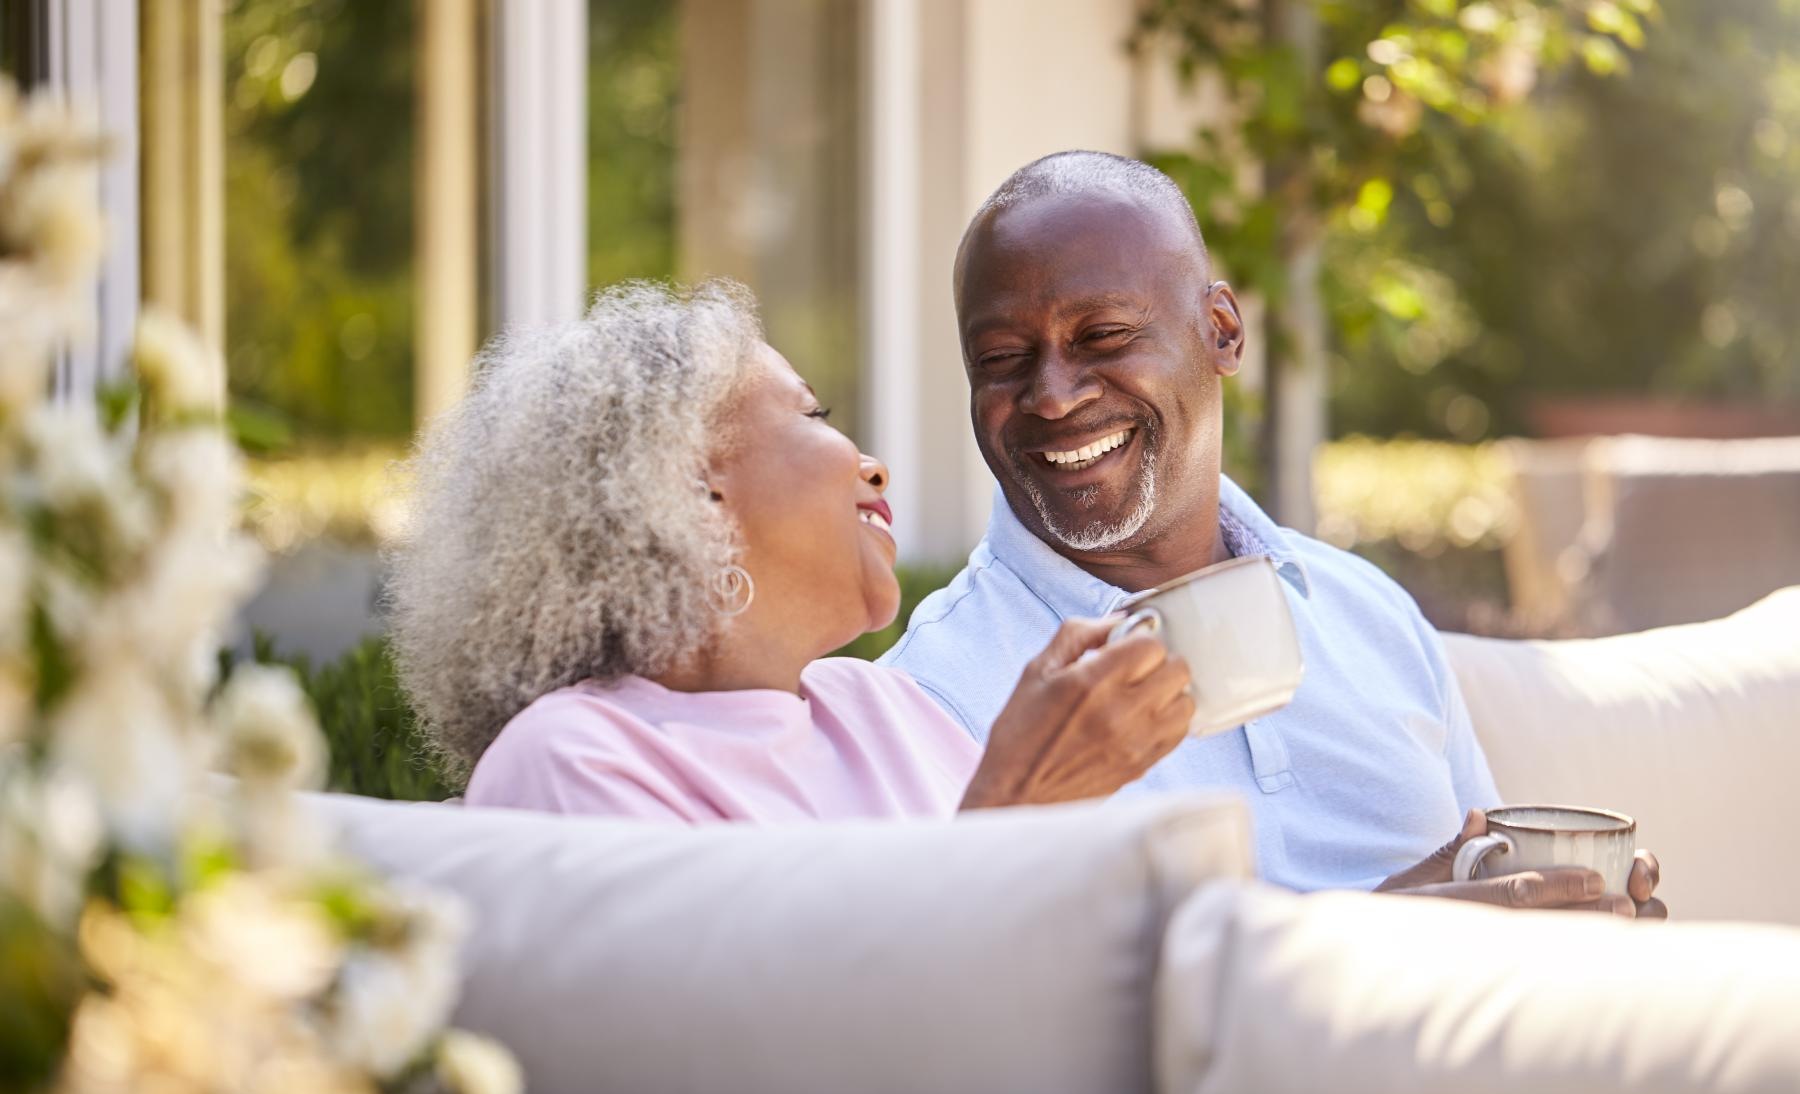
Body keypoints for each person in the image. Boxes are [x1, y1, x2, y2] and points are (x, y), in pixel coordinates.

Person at [879, 150, 1665, 917]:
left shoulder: (1366, 612)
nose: (1051, 396)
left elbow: (1486, 879)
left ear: (1221, 330)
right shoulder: (935, 693)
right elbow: (977, 1016)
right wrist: (1372, 943)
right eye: (1003, 357)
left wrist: (1571, 930)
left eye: (1104, 336)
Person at [387, 280, 1196, 823]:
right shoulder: (573, 758)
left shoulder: (888, 709)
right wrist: (1017, 806)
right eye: (812, 415)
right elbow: (745, 1053)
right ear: (691, 493)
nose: (873, 464)